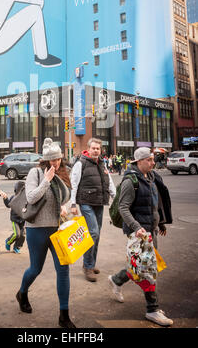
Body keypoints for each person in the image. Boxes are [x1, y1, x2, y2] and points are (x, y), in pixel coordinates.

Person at [108, 147, 173, 326]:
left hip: (150, 230)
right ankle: (152, 309)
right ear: (139, 161)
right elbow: (123, 208)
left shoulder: (151, 177)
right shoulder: (131, 181)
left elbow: (153, 204)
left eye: (153, 159)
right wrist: (137, 228)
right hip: (139, 233)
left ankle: (117, 279)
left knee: (141, 267)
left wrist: (160, 223)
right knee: (147, 270)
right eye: (149, 160)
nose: (153, 163)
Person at [16, 138, 74, 328]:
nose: (55, 163)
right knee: (36, 269)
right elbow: (31, 198)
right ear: (45, 160)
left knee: (63, 270)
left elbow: (67, 196)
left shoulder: (64, 173)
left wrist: (65, 206)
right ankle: (22, 292)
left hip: (58, 229)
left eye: (58, 160)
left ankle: (64, 316)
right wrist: (47, 180)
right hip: (37, 229)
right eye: (51, 160)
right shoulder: (36, 173)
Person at [70, 138, 113, 282]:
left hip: (99, 202)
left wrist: (115, 197)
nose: (96, 150)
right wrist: (73, 204)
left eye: (98, 149)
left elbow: (109, 181)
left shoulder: (102, 163)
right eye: (93, 148)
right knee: (93, 232)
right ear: (88, 149)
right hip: (86, 202)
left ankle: (91, 264)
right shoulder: (80, 163)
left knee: (97, 234)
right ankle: (87, 266)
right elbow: (73, 184)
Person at [3, 181, 26, 254]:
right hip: (15, 220)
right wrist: (5, 198)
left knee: (22, 235)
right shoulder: (14, 197)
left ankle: (17, 247)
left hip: (23, 220)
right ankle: (8, 242)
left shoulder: (26, 199)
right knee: (17, 234)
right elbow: (8, 205)